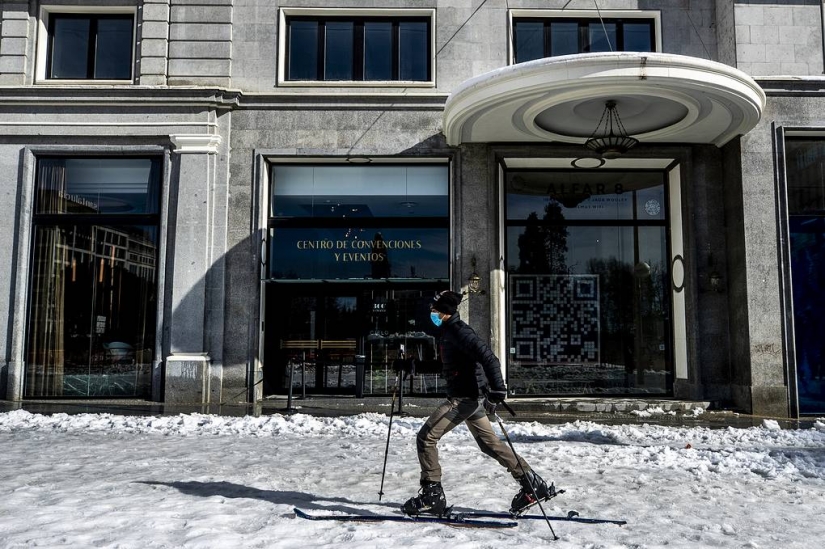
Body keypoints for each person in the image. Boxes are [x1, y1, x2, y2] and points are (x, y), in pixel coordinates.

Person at [401, 290, 555, 517]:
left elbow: (489, 357)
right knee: (490, 444)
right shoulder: (448, 331)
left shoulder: (460, 332)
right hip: (469, 400)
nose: (431, 314)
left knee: (426, 438)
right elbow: (453, 366)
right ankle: (533, 485)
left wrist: (498, 389)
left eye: (434, 311)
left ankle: (432, 495)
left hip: (463, 399)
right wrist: (412, 367)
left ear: (444, 313)